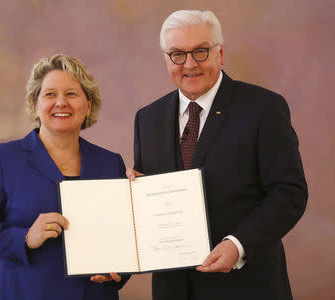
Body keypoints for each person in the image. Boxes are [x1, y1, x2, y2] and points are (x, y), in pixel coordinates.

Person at [127, 10, 308, 300]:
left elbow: (290, 193)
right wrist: (134, 191)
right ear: (166, 59)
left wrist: (238, 245)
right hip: (172, 290)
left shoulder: (263, 108)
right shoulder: (147, 118)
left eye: (200, 52)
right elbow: (148, 200)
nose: (189, 64)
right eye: (177, 54)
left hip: (247, 286)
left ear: (220, 53)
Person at [0, 54, 128, 299]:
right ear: (36, 104)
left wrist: (119, 271)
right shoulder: (1, 159)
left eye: (72, 94)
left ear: (89, 105)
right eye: (50, 94)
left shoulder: (111, 163)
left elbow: (125, 236)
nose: (61, 102)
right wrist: (25, 237)